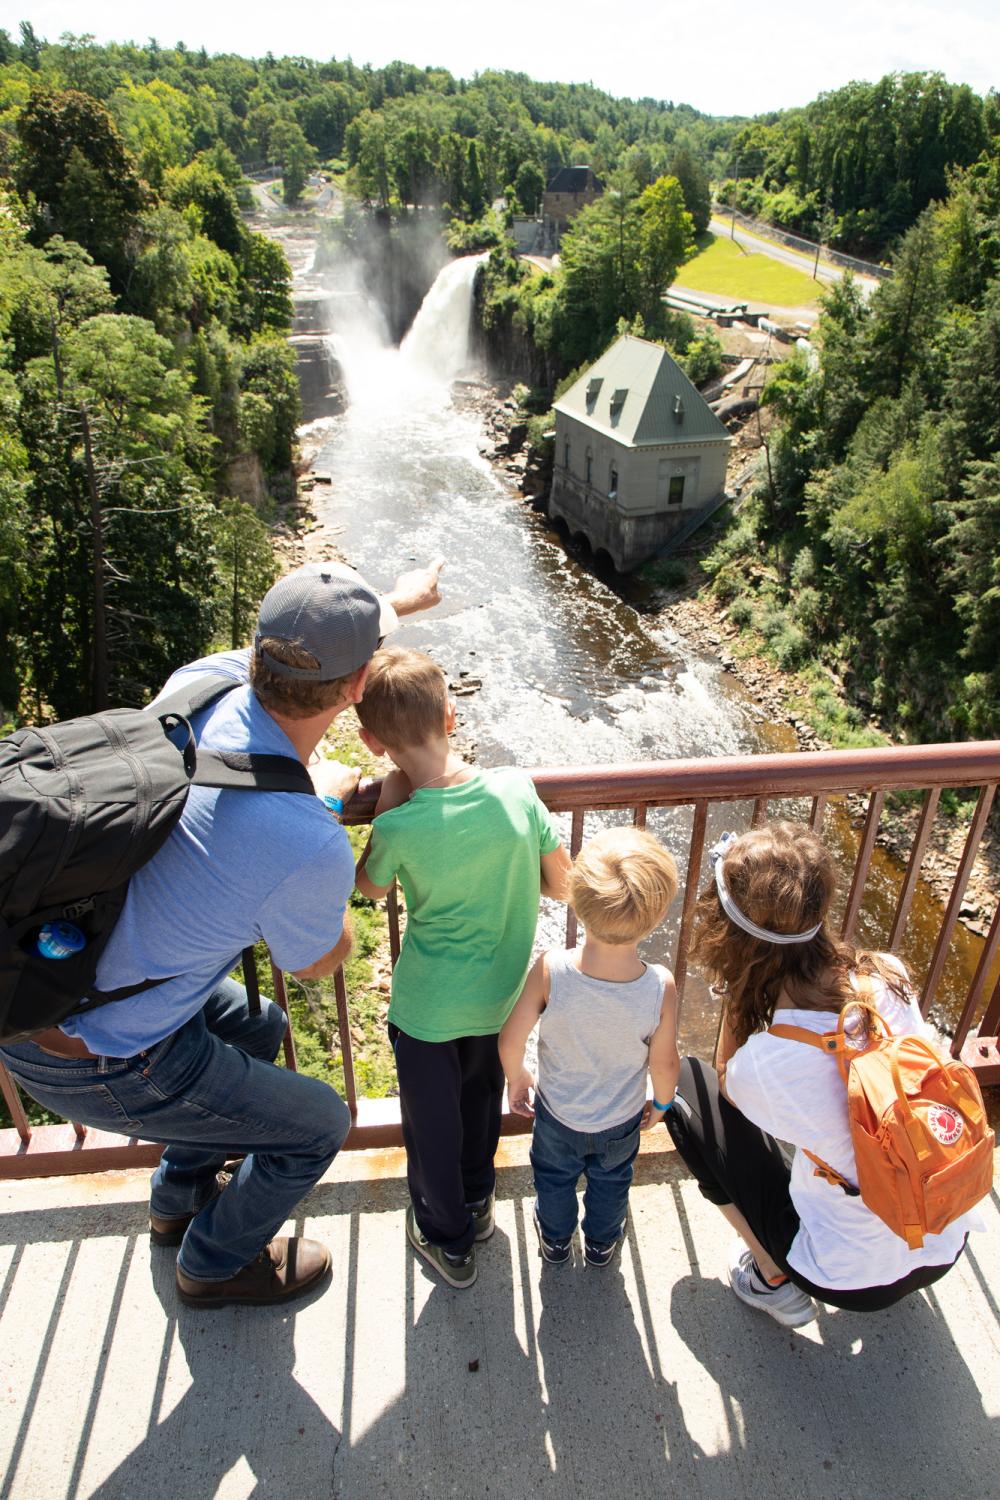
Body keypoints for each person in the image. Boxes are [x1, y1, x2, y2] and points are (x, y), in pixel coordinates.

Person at [0, 558, 445, 1309]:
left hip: (46, 988)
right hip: (104, 1056)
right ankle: (212, 1264)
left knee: (259, 1025)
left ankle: (178, 1196)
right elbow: (321, 961)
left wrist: (398, 601)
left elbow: (319, 653)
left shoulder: (202, 680)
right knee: (318, 1125)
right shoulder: (301, 835)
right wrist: (329, 814)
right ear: (358, 686)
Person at [664, 821, 982, 1327]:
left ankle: (771, 1278)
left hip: (848, 1280)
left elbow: (727, 1080)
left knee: (689, 1091)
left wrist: (740, 989)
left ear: (731, 936)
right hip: (945, 1237)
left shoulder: (767, 1064)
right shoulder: (888, 977)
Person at [354, 645, 571, 1289]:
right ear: (451, 715)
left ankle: (447, 1241)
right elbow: (560, 885)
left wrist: (391, 799)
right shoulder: (514, 790)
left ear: (372, 742)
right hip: (500, 1001)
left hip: (426, 1011)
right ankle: (478, 1206)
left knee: (431, 1129)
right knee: (480, 1106)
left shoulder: (401, 824)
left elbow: (369, 889)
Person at [500, 827, 680, 1268]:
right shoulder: (659, 986)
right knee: (612, 1181)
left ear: (578, 903)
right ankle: (601, 1243)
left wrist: (517, 1077)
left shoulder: (551, 969)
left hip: (558, 1113)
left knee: (553, 1178)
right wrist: (660, 1103)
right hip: (620, 1120)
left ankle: (556, 1242)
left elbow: (510, 1038)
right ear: (655, 917)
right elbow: (666, 1061)